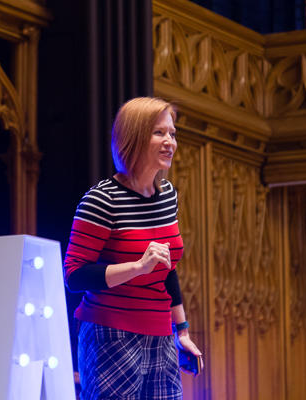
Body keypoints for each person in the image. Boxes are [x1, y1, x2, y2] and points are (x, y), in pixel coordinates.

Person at [64, 97, 203, 399]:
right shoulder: (102, 199)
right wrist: (138, 267)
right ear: (134, 137)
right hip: (110, 335)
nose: (170, 142)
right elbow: (74, 275)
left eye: (172, 133)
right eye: (159, 133)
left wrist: (182, 331)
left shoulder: (168, 195)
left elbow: (167, 269)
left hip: (161, 336)